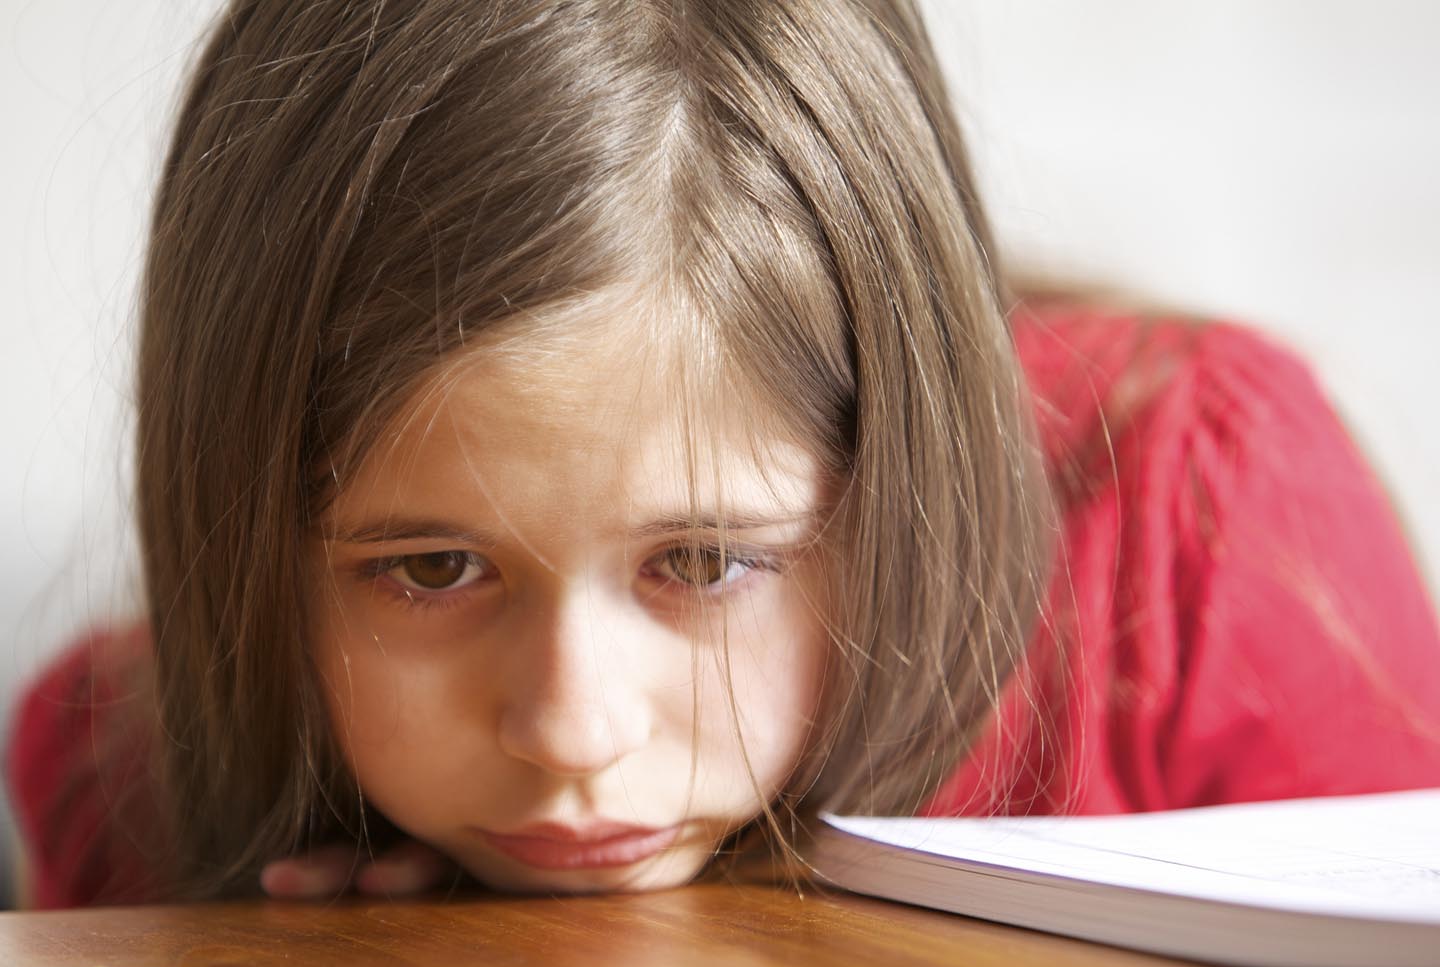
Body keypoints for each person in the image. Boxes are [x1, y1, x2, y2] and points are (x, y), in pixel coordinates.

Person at [8, 0, 1440, 910]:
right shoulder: (116, 783)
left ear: (898, 469)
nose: (575, 734)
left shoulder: (1210, 519)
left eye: (700, 561)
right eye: (431, 569)